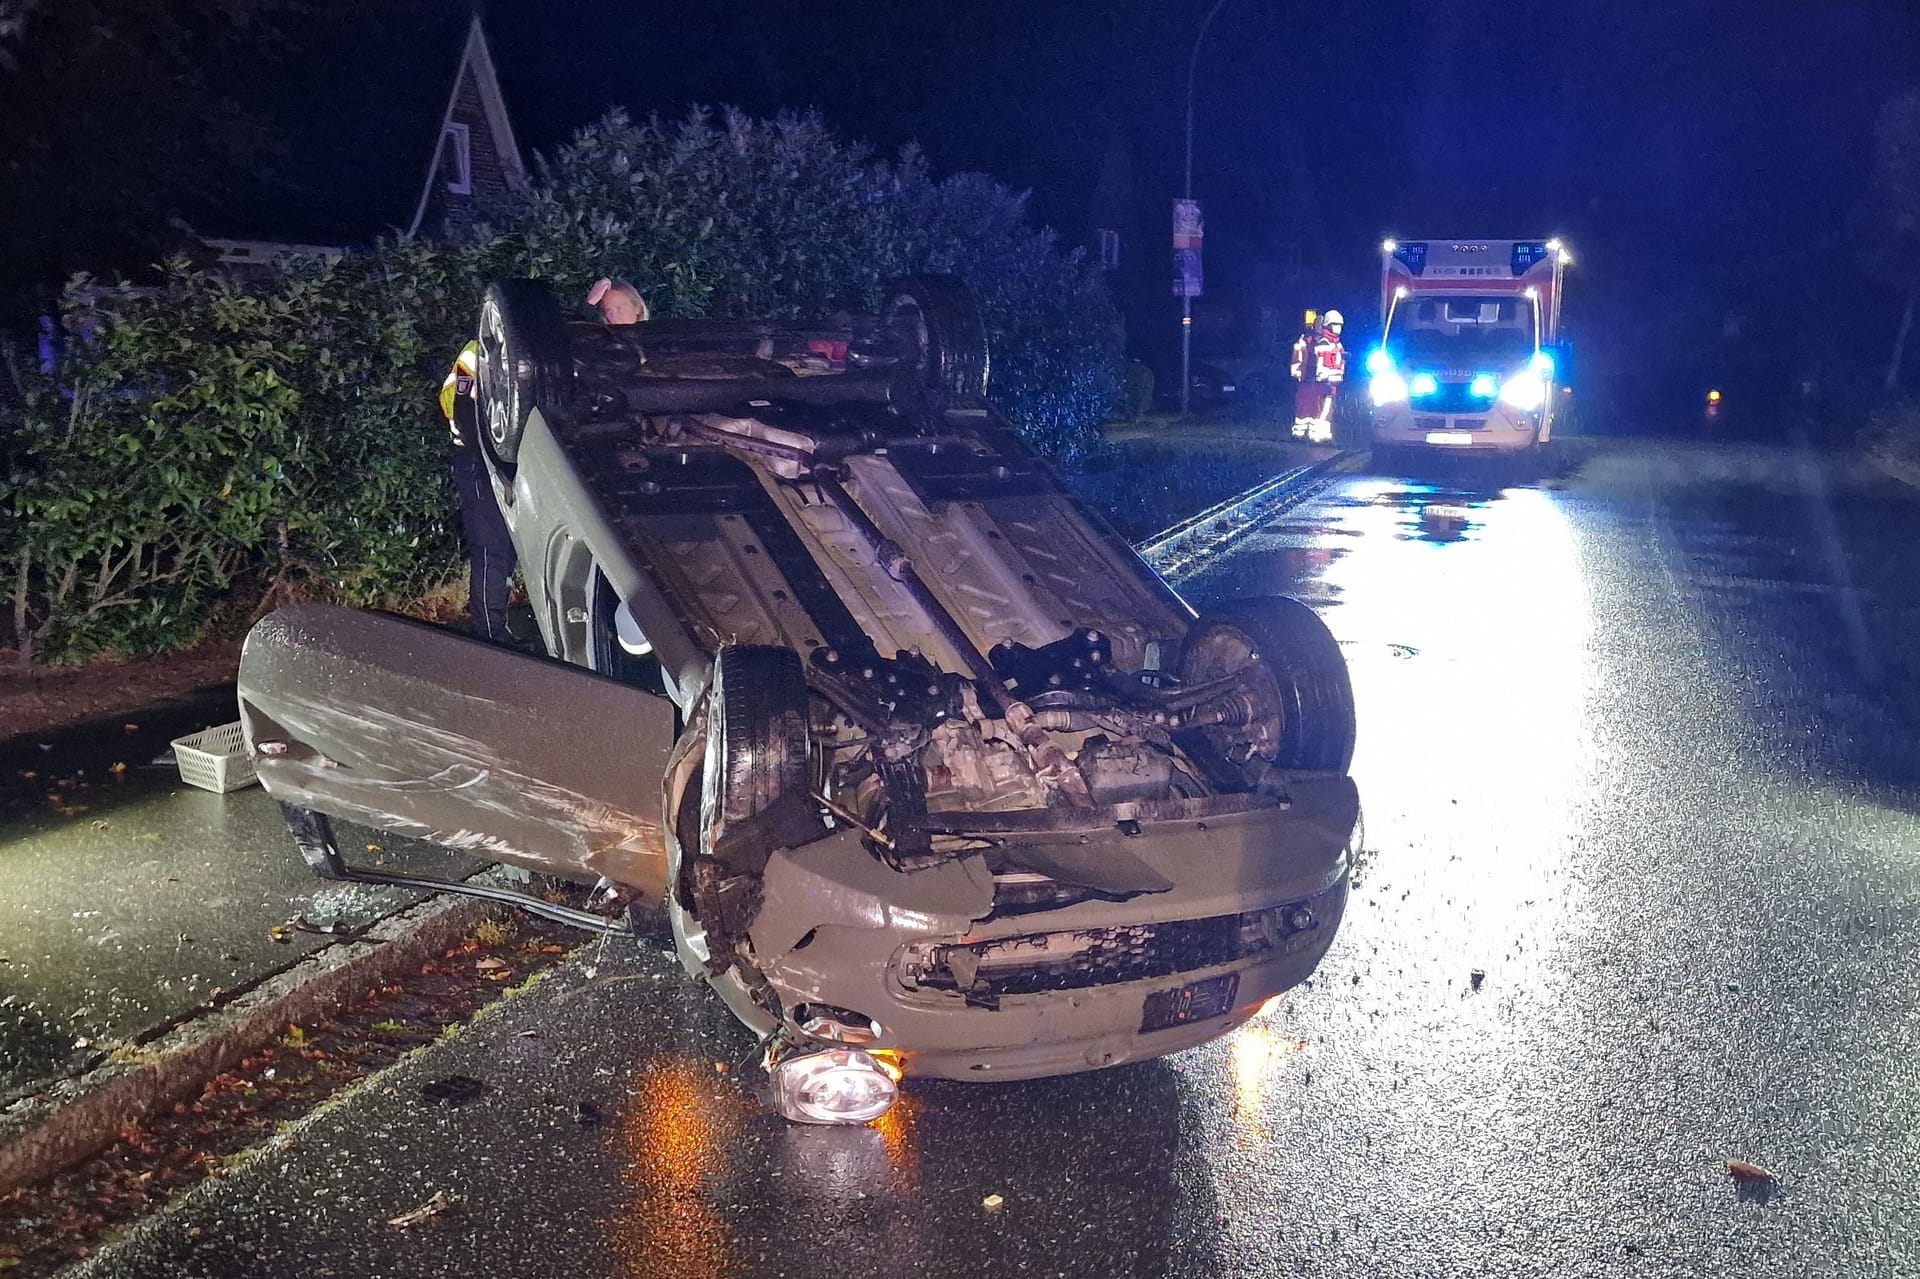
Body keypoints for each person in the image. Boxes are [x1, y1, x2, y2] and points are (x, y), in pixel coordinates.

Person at [438, 339, 517, 643]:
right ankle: (489, 633)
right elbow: (462, 403)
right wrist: (485, 455)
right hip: (476, 460)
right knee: (492, 547)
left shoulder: (516, 350)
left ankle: (497, 627)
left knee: (505, 551)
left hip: (493, 460)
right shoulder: (475, 354)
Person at [1290, 308, 1346, 443]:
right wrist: (1326, 378)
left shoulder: (1335, 343)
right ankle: (1313, 435)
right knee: (1315, 409)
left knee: (1322, 410)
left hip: (1326, 383)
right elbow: (1321, 364)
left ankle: (1315, 434)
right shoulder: (1324, 343)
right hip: (1321, 383)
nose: (1338, 328)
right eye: (1335, 325)